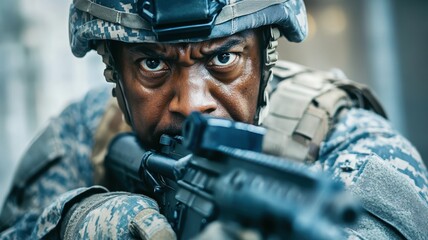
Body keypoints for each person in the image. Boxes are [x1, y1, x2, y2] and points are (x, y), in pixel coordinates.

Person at [1, 0, 427, 239]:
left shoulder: (348, 140)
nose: (191, 104)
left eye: (223, 58)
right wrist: (81, 221)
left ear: (266, 59)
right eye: (152, 65)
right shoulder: (89, 127)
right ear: (113, 71)